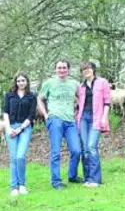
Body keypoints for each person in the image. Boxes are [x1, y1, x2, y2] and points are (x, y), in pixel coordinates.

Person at [37, 60, 83, 190]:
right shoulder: (49, 83)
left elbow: (81, 98)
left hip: (70, 121)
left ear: (68, 69)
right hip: (55, 119)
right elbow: (40, 98)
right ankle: (56, 181)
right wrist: (46, 115)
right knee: (56, 151)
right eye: (59, 68)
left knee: (76, 150)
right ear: (55, 69)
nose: (62, 70)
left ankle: (72, 176)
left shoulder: (74, 84)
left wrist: (77, 110)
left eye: (64, 68)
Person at [76, 61, 110, 187]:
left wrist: (104, 118)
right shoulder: (81, 87)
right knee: (85, 149)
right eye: (83, 69)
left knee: (91, 146)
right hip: (83, 118)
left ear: (93, 69)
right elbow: (78, 104)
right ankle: (88, 178)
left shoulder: (102, 82)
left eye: (88, 68)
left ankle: (95, 179)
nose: (86, 71)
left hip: (96, 118)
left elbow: (107, 102)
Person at [3, 73, 37, 196]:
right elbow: (5, 112)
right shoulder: (9, 95)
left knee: (20, 156)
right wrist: (8, 128)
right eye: (18, 81)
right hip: (11, 127)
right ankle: (14, 187)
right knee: (13, 158)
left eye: (23, 80)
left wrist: (20, 128)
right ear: (15, 82)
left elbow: (31, 115)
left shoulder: (31, 96)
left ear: (27, 82)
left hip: (25, 128)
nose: (21, 83)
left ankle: (22, 185)